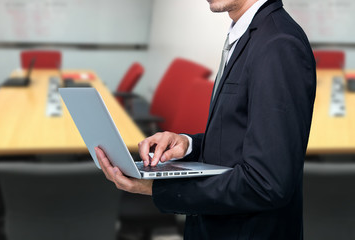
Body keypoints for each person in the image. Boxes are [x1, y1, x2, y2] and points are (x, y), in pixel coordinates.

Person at [95, 0, 316, 238]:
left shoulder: (278, 44)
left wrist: (160, 189)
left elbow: (266, 183)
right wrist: (188, 144)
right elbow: (241, 138)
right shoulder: (247, 34)